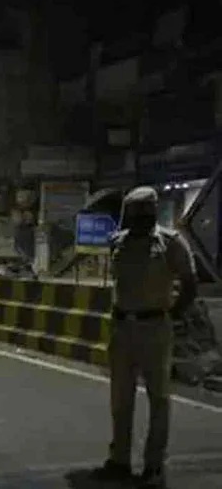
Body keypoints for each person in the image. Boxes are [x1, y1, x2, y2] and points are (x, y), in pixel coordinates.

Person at [91, 186, 197, 489]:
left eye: (141, 214)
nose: (136, 220)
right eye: (133, 215)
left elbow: (189, 283)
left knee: (158, 398)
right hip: (122, 326)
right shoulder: (118, 242)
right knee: (120, 398)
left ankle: (154, 465)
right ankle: (119, 459)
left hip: (155, 327)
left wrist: (173, 313)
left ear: (151, 213)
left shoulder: (171, 243)